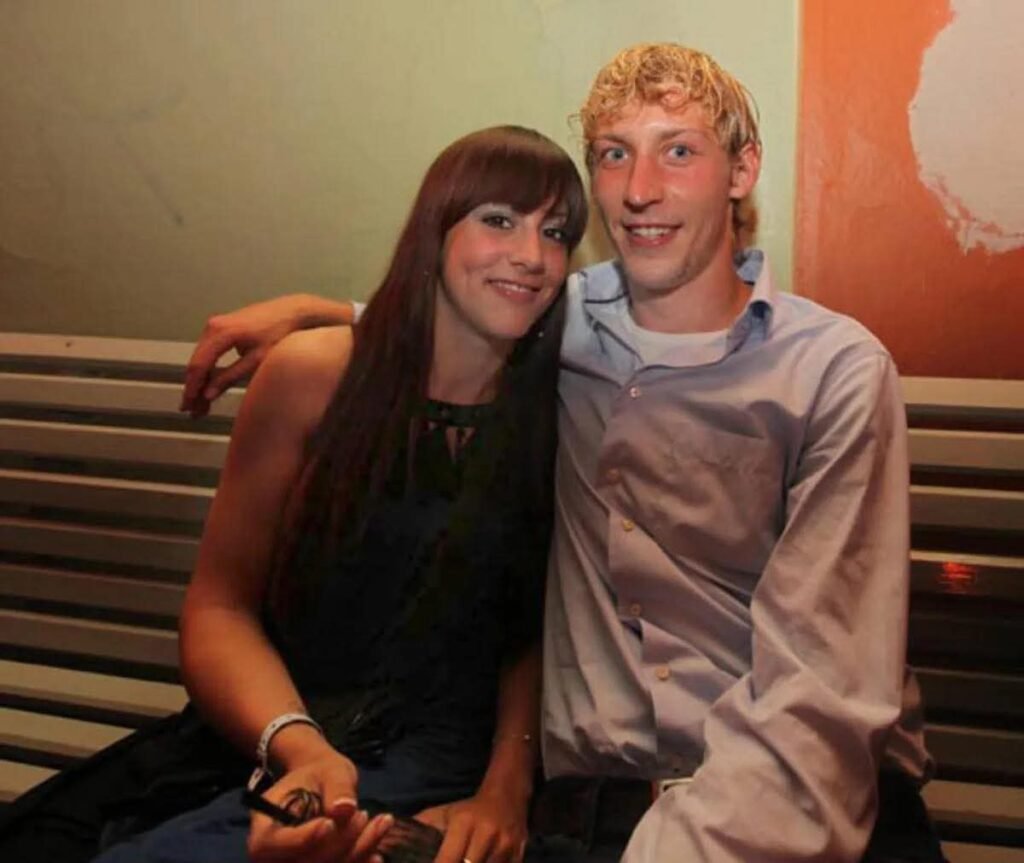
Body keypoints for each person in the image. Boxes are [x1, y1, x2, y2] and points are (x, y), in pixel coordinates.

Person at [180, 44, 944, 863]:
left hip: (800, 807)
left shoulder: (832, 372)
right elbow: (459, 296)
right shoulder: (550, 324)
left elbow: (821, 697)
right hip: (584, 814)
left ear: (743, 168)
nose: (639, 189)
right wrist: (320, 313)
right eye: (614, 154)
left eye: (678, 151)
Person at [0, 125, 587, 863]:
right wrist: (300, 747)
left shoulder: (561, 406)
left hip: (438, 764)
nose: (531, 254)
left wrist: (506, 789)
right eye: (498, 219)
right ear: (434, 231)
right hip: (269, 725)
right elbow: (219, 608)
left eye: (555, 232)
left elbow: (529, 628)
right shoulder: (314, 376)